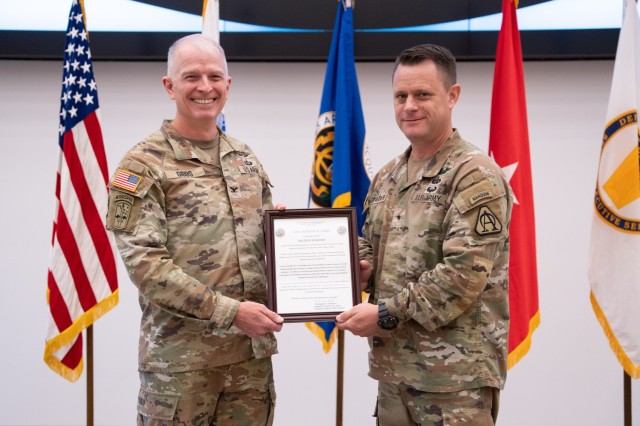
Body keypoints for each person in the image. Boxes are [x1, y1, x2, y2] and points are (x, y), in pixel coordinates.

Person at [106, 34, 283, 425]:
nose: (205, 87)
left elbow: (263, 244)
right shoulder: (141, 165)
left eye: (215, 76)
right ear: (170, 86)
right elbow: (147, 267)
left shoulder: (244, 158)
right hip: (180, 368)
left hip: (249, 364)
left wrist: (290, 237)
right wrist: (230, 312)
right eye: (192, 77)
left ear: (228, 85)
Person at [336, 44, 513, 425]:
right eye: (401, 96)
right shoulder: (388, 176)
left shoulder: (473, 174)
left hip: (454, 381)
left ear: (453, 96)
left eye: (423, 95)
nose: (409, 106)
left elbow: (462, 276)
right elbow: (372, 243)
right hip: (395, 372)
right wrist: (357, 265)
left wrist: (383, 314)